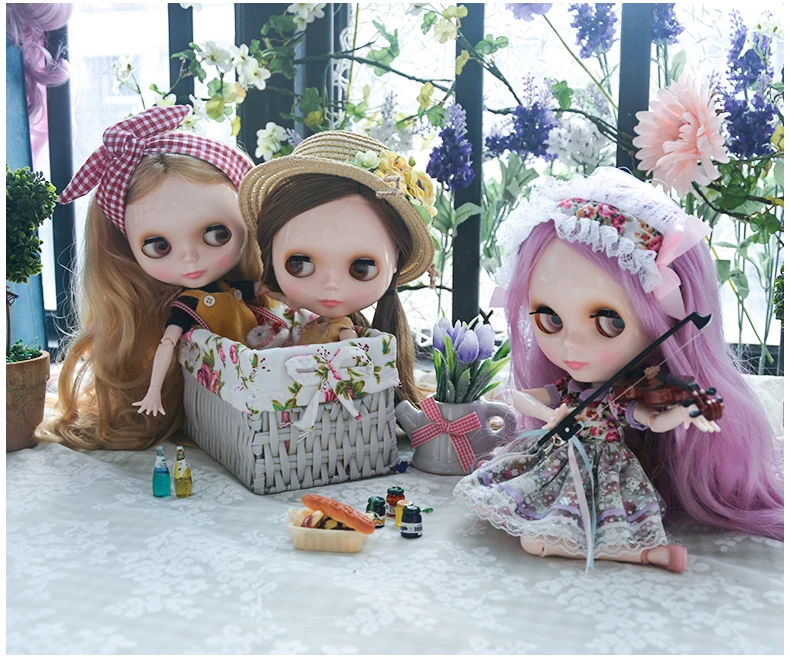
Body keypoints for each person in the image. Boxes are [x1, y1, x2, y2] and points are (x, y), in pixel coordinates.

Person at [454, 167, 784, 573]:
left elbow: (651, 419)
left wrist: (685, 410)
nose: (572, 346)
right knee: (527, 525)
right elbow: (523, 398)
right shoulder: (568, 388)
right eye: (551, 320)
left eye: (609, 322)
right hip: (561, 466)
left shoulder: (620, 395)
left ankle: (644, 554)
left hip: (608, 476)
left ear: (661, 324)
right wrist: (548, 414)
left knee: (541, 540)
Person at [44, 105, 277, 450]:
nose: (190, 258)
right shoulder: (179, 310)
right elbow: (168, 346)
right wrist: (154, 390)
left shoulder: (244, 291)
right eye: (159, 246)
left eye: (217, 234)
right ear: (126, 249)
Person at [238, 130, 437, 405]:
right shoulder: (297, 314)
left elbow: (353, 355)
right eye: (299, 264)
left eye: (361, 268)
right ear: (272, 254)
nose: (331, 284)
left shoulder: (347, 332)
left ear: (395, 261)